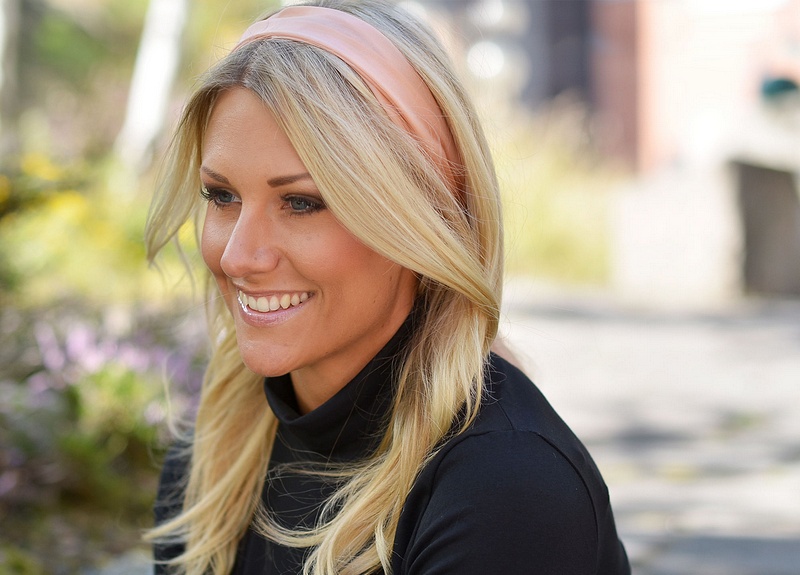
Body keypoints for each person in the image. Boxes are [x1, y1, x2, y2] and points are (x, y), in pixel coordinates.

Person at [145, 1, 630, 574]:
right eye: (222, 196)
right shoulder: (213, 458)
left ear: (417, 221)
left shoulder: (506, 487)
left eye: (301, 203)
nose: (237, 256)